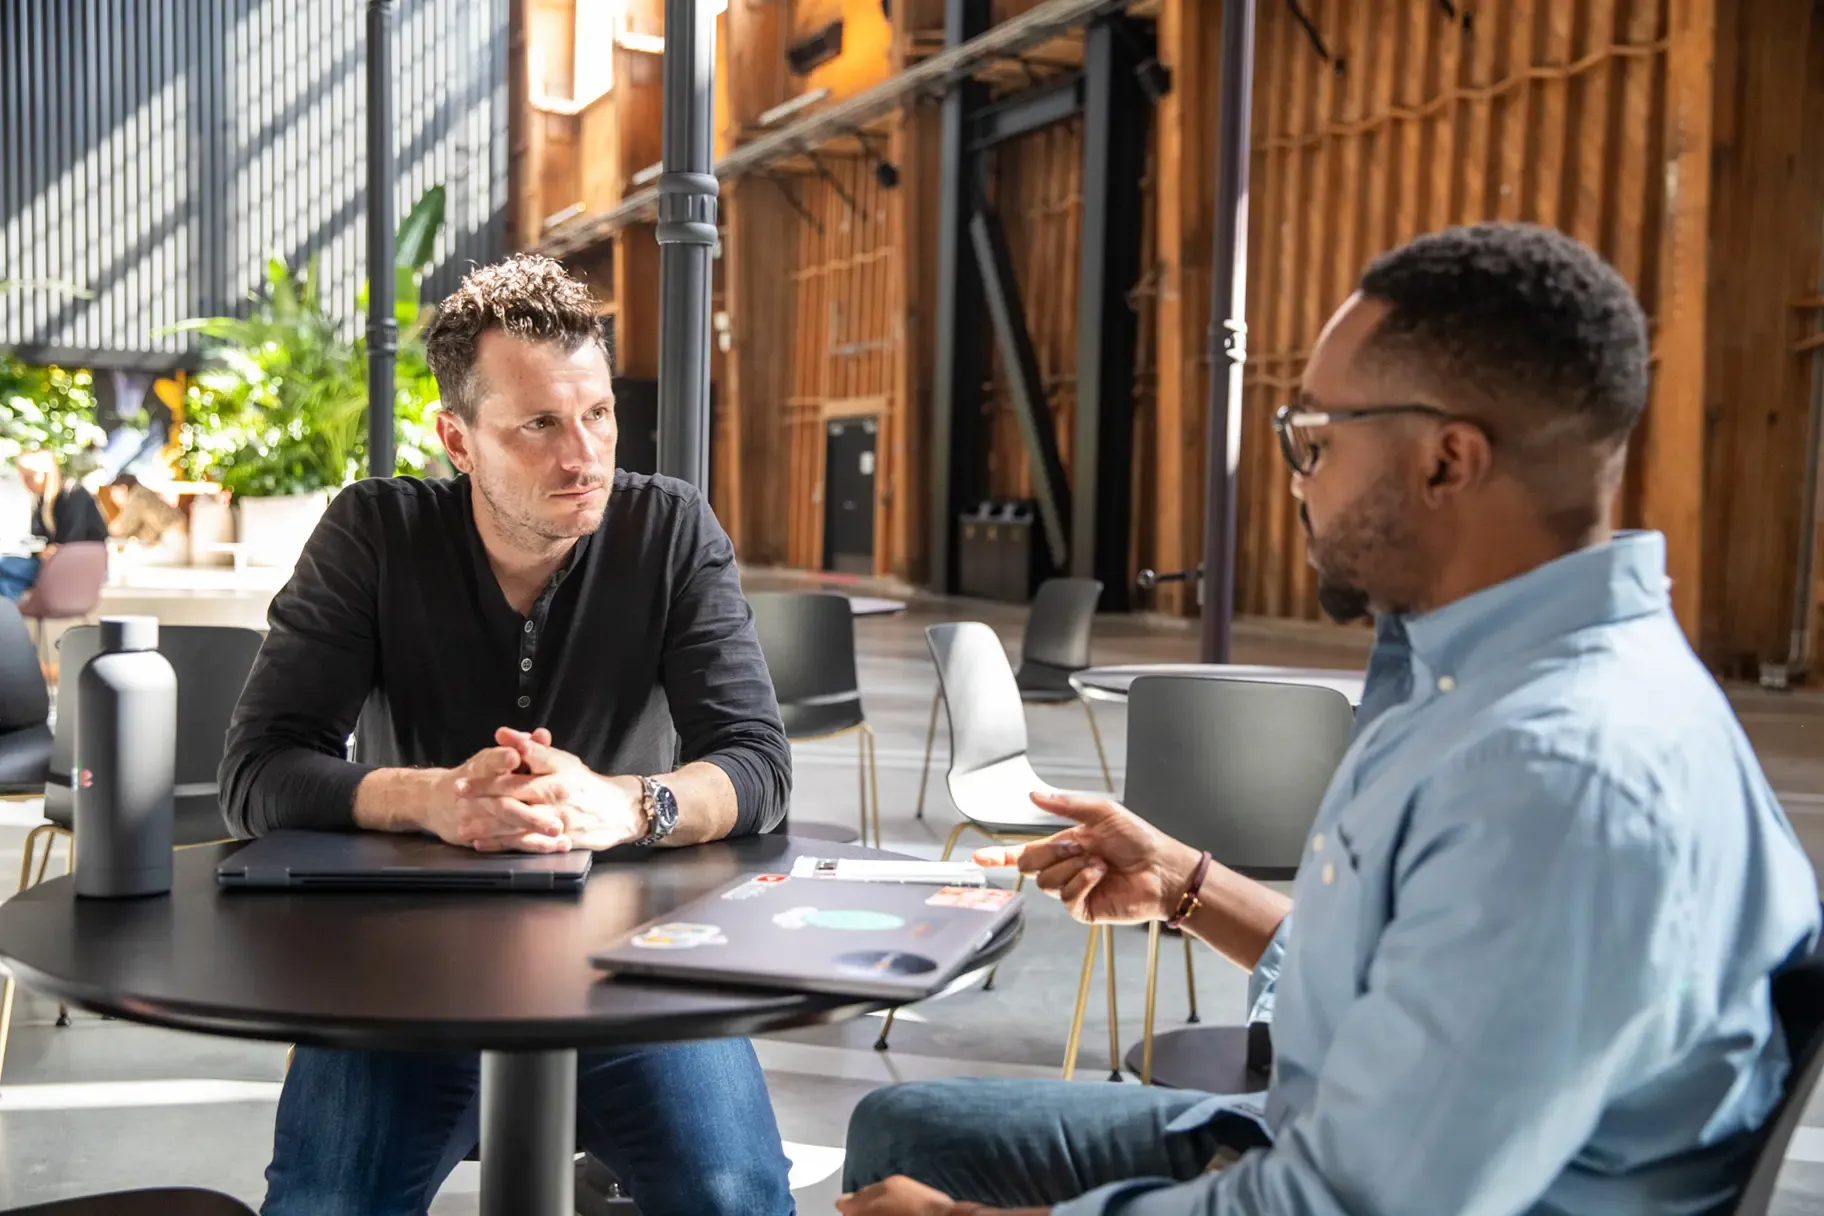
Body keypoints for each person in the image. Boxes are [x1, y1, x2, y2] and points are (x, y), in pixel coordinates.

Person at [836, 223, 1823, 1216]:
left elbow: (1352, 1208)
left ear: (1447, 462)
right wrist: (1187, 885)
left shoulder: (1556, 778)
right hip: (1311, 1130)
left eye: (1316, 439)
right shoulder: (1483, 676)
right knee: (904, 1129)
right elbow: (1409, 990)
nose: (1300, 478)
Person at [219, 254, 797, 1216]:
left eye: (598, 415)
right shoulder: (374, 535)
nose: (584, 456)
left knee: (736, 1195)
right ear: (457, 439)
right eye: (539, 425)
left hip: (634, 964)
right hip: (404, 969)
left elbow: (758, 765)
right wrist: (435, 799)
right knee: (324, 1203)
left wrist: (627, 803)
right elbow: (258, 771)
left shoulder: (669, 531)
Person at [1, 449, 109, 599]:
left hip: (78, 566)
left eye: (29, 476)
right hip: (53, 563)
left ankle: (11, 620)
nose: (26, 483)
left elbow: (71, 541)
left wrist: (53, 550)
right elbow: (38, 538)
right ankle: (11, 620)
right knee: (4, 582)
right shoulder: (41, 502)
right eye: (22, 477)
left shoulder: (73, 493)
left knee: (3, 565)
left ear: (45, 474)